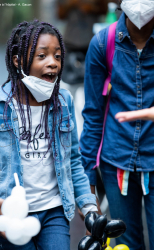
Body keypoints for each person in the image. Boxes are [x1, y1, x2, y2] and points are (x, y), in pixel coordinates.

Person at [0, 20, 98, 250]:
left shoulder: (64, 102)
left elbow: (73, 161)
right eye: (42, 56)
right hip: (12, 215)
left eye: (57, 56)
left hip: (54, 212)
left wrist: (89, 208)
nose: (53, 63)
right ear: (18, 61)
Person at [80, 0, 154, 249]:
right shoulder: (103, 43)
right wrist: (88, 185)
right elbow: (92, 115)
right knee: (125, 246)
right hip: (116, 163)